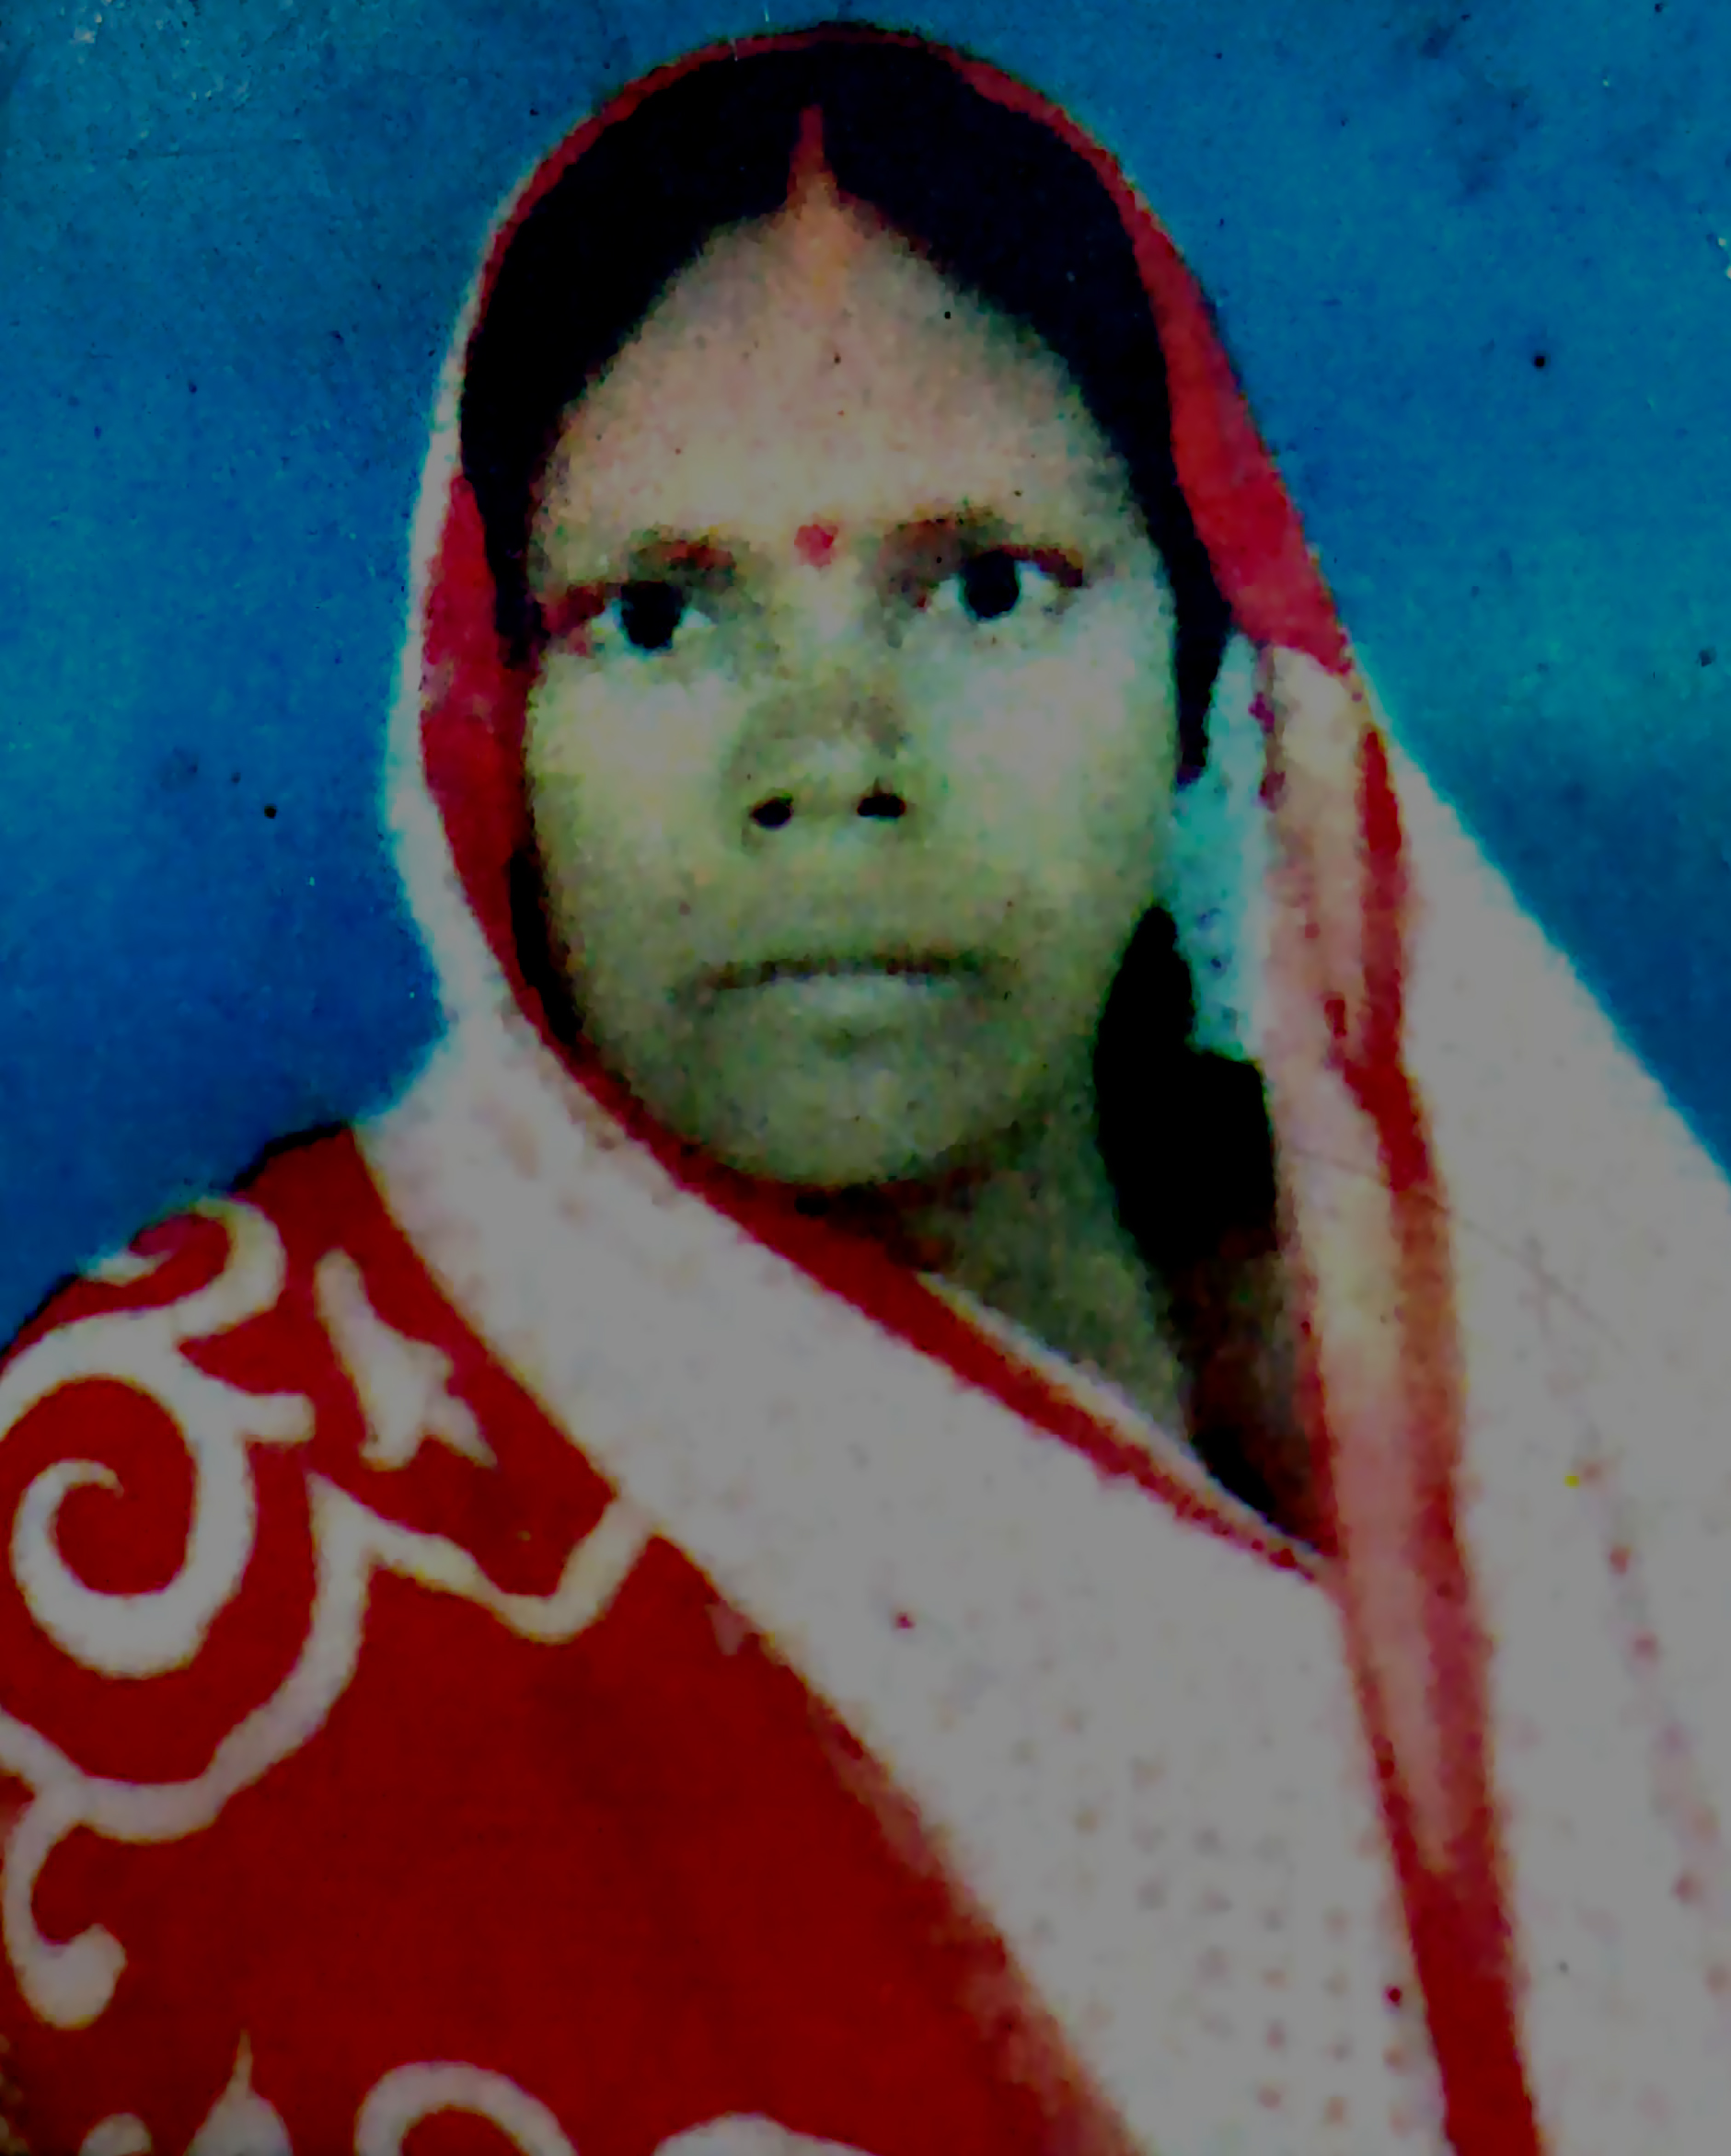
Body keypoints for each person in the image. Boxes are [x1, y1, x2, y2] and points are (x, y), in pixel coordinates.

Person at [4, 23, 1730, 2155]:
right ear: (485, 726)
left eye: (984, 588)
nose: (829, 759)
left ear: (1199, 679)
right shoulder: (165, 1503)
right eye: (657, 617)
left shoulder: (1589, 1417)